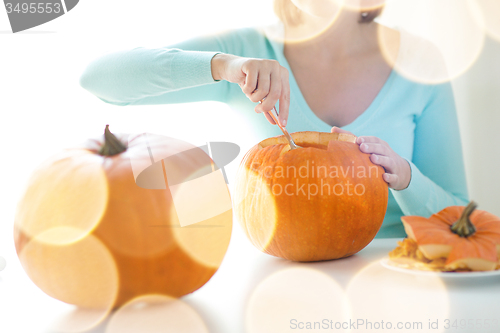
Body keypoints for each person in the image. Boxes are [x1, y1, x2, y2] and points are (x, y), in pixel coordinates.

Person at [80, 0, 469, 238]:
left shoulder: (420, 62)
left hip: (396, 274)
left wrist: (405, 177)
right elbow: (98, 80)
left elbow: (461, 218)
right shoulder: (246, 50)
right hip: (276, 280)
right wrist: (223, 65)